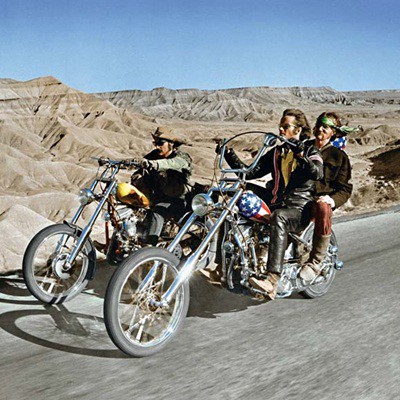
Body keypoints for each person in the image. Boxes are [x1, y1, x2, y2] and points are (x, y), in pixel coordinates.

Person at [223, 109, 324, 299]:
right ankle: (223, 266)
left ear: (299, 130)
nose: (281, 129)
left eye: (286, 126)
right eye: (281, 125)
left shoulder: (311, 150)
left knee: (279, 217)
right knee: (235, 196)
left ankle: (272, 280)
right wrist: (228, 153)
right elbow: (251, 172)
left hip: (299, 208)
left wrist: (301, 157)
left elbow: (318, 172)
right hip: (277, 201)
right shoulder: (277, 152)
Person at [300, 112, 353, 281]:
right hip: (298, 196)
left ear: (333, 133)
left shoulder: (339, 157)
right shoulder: (304, 148)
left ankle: (316, 262)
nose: (321, 129)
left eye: (327, 127)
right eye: (319, 125)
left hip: (318, 201)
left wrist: (331, 200)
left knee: (324, 206)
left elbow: (344, 188)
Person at [132, 126, 192, 245]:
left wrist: (155, 164)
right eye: (155, 143)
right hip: (156, 198)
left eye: (160, 143)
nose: (157, 146)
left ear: (171, 144)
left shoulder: (182, 157)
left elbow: (174, 163)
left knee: (158, 212)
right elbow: (143, 163)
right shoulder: (154, 155)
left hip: (177, 200)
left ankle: (150, 248)